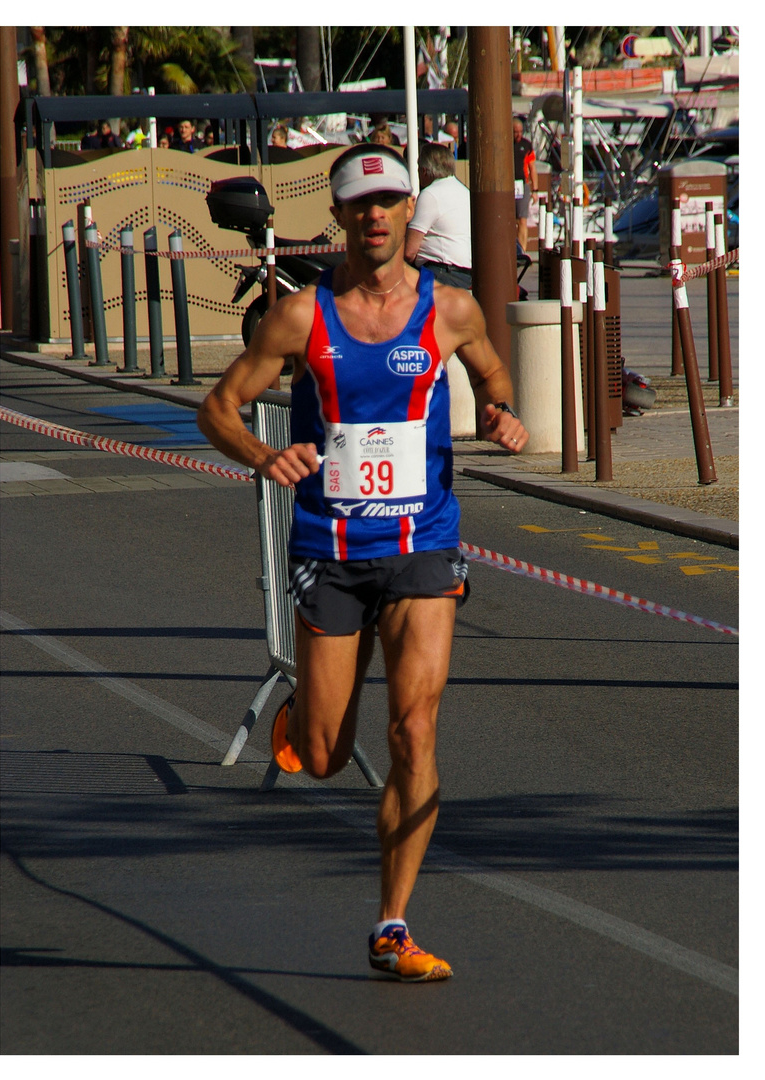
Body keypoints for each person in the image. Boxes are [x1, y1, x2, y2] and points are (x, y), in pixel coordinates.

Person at [196, 143, 528, 983]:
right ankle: (302, 719)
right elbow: (219, 407)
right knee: (326, 752)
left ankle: (392, 925)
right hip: (330, 550)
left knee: (414, 729)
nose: (374, 216)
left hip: (423, 544)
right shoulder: (301, 318)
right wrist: (263, 458)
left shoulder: (450, 310)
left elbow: (493, 376)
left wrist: (501, 414)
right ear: (339, 219)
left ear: (405, 215)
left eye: (387, 203)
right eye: (358, 204)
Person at [404, 141, 472, 289]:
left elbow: (409, 252)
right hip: (466, 275)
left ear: (424, 170)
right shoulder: (464, 191)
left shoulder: (431, 194)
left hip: (440, 273)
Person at [512, 116, 538, 252]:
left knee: (522, 219)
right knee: (510, 220)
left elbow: (532, 167)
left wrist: (535, 190)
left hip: (522, 185)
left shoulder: (526, 145)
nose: (518, 135)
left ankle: (523, 250)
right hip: (509, 186)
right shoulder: (506, 144)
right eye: (515, 132)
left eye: (520, 131)